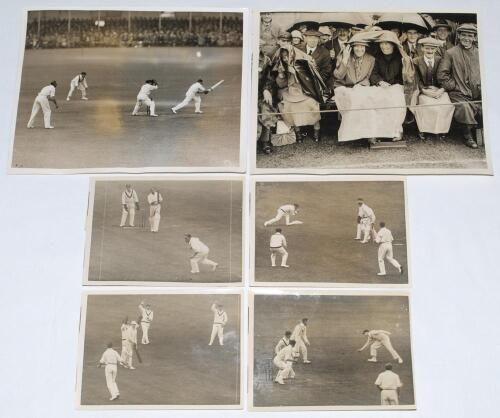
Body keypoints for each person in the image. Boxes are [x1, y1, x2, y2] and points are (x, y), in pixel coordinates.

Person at [437, 23, 481, 148]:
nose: (467, 38)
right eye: (464, 35)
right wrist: (455, 86)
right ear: (459, 36)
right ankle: (467, 136)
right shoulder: (450, 53)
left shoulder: (479, 53)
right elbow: (442, 75)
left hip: (477, 92)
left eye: (470, 35)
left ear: (474, 38)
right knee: (464, 107)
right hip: (458, 93)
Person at [271, 45, 326, 143]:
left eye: (287, 56)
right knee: (291, 105)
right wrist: (281, 75)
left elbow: (310, 80)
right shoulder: (282, 66)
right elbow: (281, 85)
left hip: (306, 91)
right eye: (283, 57)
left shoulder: (301, 63)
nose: (286, 58)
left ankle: (316, 130)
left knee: (311, 102)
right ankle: (298, 132)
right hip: (291, 92)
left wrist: (295, 72)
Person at [411, 37, 454, 141]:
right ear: (422, 48)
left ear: (436, 50)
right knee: (426, 105)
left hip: (439, 90)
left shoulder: (441, 60)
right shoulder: (416, 61)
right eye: (427, 48)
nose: (430, 51)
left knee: (446, 105)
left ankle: (441, 130)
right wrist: (425, 91)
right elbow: (416, 80)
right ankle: (423, 129)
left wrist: (441, 90)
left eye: (432, 49)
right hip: (423, 90)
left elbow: (447, 76)